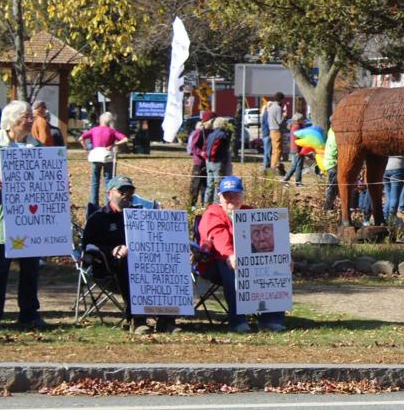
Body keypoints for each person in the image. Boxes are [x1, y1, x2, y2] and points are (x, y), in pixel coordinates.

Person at [0, 101, 47, 329]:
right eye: (26, 116)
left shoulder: (37, 147)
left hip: (30, 220)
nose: (31, 119)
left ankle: (29, 313)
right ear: (13, 120)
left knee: (30, 268)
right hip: (5, 218)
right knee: (0, 268)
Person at [82, 176, 181, 335]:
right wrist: (112, 250)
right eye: (122, 190)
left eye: (130, 190)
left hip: (145, 266)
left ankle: (166, 319)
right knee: (127, 261)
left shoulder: (141, 214)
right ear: (109, 193)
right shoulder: (98, 218)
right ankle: (138, 320)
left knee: (167, 259)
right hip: (109, 267)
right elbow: (87, 246)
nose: (126, 194)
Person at [198, 176, 287, 333]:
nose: (231, 199)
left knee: (277, 266)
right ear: (220, 197)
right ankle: (238, 321)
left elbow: (271, 238)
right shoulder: (213, 213)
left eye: (236, 194)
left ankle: (272, 319)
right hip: (216, 262)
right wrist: (230, 255)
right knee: (233, 268)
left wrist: (285, 257)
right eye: (227, 195)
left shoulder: (249, 212)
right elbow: (219, 237)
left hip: (250, 264)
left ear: (242, 195)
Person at [79, 112, 128, 208]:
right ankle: (108, 204)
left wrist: (87, 149)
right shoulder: (111, 131)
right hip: (107, 156)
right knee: (108, 181)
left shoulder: (94, 130)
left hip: (95, 155)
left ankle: (93, 204)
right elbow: (125, 139)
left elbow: (81, 138)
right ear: (109, 121)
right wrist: (114, 145)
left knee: (95, 181)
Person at [187, 111, 214, 208]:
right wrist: (201, 153)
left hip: (207, 163)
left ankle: (204, 205)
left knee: (205, 185)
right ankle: (191, 206)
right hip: (199, 163)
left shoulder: (211, 131)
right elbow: (193, 147)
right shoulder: (199, 132)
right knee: (195, 185)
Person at [204, 117, 233, 204]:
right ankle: (216, 204)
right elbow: (221, 148)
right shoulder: (223, 135)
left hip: (208, 162)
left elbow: (206, 147)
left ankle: (206, 204)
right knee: (218, 185)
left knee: (210, 185)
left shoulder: (210, 135)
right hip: (217, 162)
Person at [282, 113, 307, 186]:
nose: (304, 120)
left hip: (297, 149)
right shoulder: (296, 127)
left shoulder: (297, 126)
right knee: (295, 166)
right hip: (297, 150)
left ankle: (298, 182)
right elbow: (296, 140)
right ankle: (285, 179)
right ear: (298, 120)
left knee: (299, 166)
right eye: (302, 119)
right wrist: (299, 151)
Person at [383, 155, 404, 221]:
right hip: (398, 165)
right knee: (395, 196)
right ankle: (392, 217)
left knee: (389, 196)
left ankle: (385, 216)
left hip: (385, 167)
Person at [266, 93, 286, 175]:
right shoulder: (278, 108)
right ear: (281, 99)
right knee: (277, 150)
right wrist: (284, 115)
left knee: (274, 150)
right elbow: (280, 121)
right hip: (277, 130)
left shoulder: (270, 107)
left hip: (271, 130)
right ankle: (274, 167)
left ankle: (276, 165)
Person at [322, 130, 339, 210]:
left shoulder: (331, 132)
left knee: (332, 185)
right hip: (332, 163)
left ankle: (330, 205)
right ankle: (327, 207)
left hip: (328, 162)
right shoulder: (335, 136)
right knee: (332, 186)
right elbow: (336, 149)